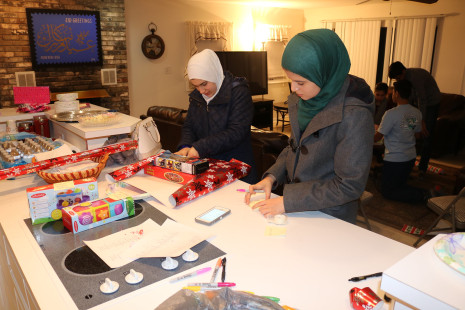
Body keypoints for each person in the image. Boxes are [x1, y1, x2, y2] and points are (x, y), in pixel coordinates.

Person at [245, 29, 375, 224]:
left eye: (300, 82)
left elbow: (349, 186)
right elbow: (294, 147)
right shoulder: (306, 99)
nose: (293, 89)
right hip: (297, 209)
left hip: (330, 216)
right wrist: (272, 177)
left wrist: (288, 201)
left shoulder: (354, 115)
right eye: (290, 80)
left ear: (324, 74)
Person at [176, 49, 258, 184]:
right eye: (196, 86)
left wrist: (200, 147)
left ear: (214, 74)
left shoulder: (238, 92)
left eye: (204, 84)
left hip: (236, 168)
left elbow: (236, 132)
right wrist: (185, 145)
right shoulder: (197, 97)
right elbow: (189, 126)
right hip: (208, 168)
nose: (201, 91)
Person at [374, 79, 429, 203]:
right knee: (399, 186)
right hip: (410, 158)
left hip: (395, 159)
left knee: (387, 192)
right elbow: (418, 135)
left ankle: (424, 196)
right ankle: (424, 193)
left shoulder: (391, 114)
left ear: (397, 94)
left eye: (392, 93)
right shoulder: (416, 112)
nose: (391, 95)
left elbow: (377, 137)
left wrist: (363, 136)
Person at [388, 61, 441, 176]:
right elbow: (410, 99)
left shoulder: (416, 77)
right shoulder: (404, 79)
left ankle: (422, 168)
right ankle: (408, 162)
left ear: (403, 71)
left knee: (427, 134)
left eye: (398, 77)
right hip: (420, 103)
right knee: (410, 131)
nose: (398, 81)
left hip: (432, 102)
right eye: (396, 79)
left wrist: (422, 121)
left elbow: (422, 100)